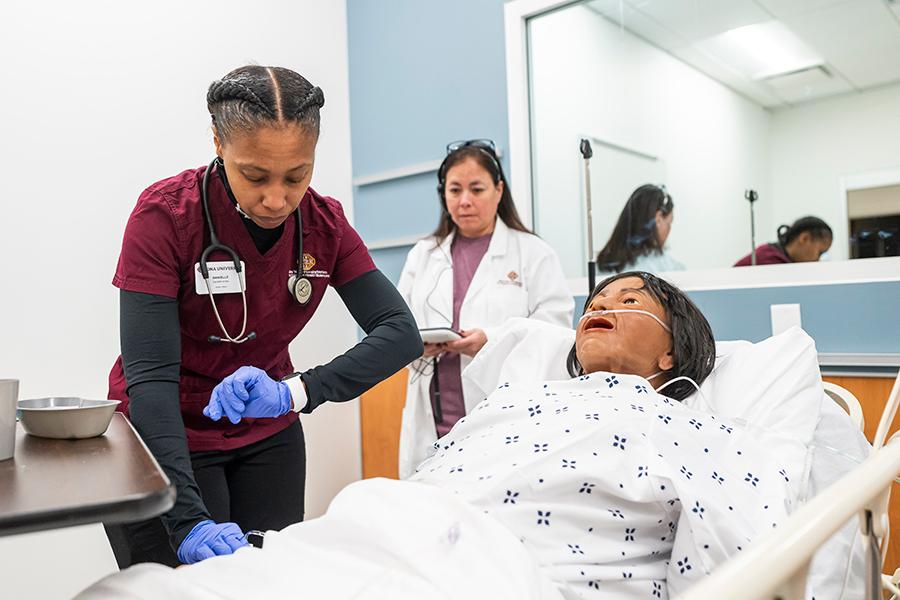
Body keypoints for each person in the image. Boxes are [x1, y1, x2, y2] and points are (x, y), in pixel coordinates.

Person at [79, 273, 792, 600]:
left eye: (629, 302)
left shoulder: (690, 427)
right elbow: (434, 484)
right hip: (393, 528)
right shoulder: (522, 397)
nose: (600, 307)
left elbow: (744, 549)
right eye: (597, 300)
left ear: (673, 353)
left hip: (507, 573)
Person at [104, 65, 422, 568]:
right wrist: (186, 520)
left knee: (271, 582)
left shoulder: (324, 224)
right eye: (255, 175)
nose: (277, 199)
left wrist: (294, 391)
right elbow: (151, 377)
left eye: (297, 175)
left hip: (266, 433)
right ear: (218, 143)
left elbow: (400, 334)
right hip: (164, 434)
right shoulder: (165, 216)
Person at [396, 139, 574, 478]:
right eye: (455, 190)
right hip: (433, 414)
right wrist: (415, 343)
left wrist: (490, 340)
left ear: (499, 190)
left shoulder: (532, 253)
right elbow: (398, 321)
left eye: (477, 189)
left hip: (502, 415)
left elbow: (557, 331)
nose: (465, 201)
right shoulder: (423, 254)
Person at [595, 184, 684, 276]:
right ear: (658, 219)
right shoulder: (670, 268)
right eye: (669, 223)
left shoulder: (602, 266)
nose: (669, 229)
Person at [734, 216, 832, 266]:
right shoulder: (769, 259)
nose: (817, 260)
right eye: (819, 253)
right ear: (804, 238)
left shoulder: (784, 260)